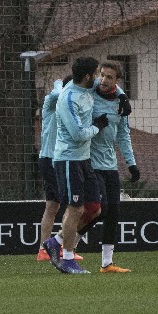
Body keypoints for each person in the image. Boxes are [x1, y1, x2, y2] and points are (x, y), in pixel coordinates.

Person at [43, 57, 108, 274]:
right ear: (88, 76)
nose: (100, 78)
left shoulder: (87, 88)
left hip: (83, 159)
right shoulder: (68, 98)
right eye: (97, 74)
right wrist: (97, 127)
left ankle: (56, 241)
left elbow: (107, 86)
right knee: (75, 208)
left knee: (94, 209)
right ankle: (68, 259)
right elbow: (78, 134)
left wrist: (122, 97)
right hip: (68, 159)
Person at [90, 62, 138, 273]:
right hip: (88, 160)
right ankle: (65, 242)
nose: (104, 80)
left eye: (110, 77)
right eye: (102, 75)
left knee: (114, 212)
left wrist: (131, 163)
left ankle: (106, 263)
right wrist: (122, 95)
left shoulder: (119, 102)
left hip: (109, 164)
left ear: (116, 80)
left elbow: (123, 135)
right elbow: (69, 85)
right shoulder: (89, 91)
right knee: (100, 209)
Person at [36, 76, 83, 262]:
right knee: (61, 205)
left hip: (62, 159)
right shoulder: (53, 100)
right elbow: (57, 90)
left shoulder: (71, 106)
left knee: (56, 205)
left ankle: (50, 248)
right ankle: (48, 248)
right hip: (49, 158)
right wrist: (61, 83)